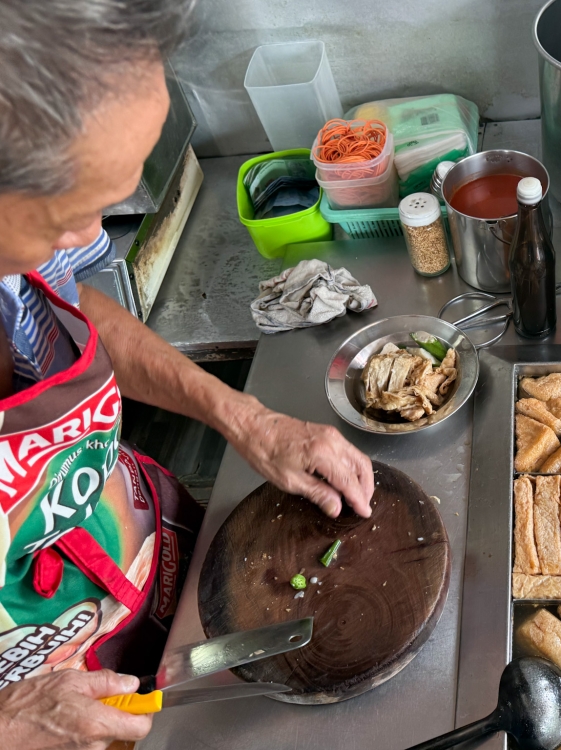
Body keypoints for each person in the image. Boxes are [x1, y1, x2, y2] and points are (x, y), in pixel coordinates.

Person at [0, 2, 374, 747]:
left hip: (151, 569)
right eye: (70, 217)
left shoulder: (20, 243)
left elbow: (77, 305)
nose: (91, 237)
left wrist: (248, 420)